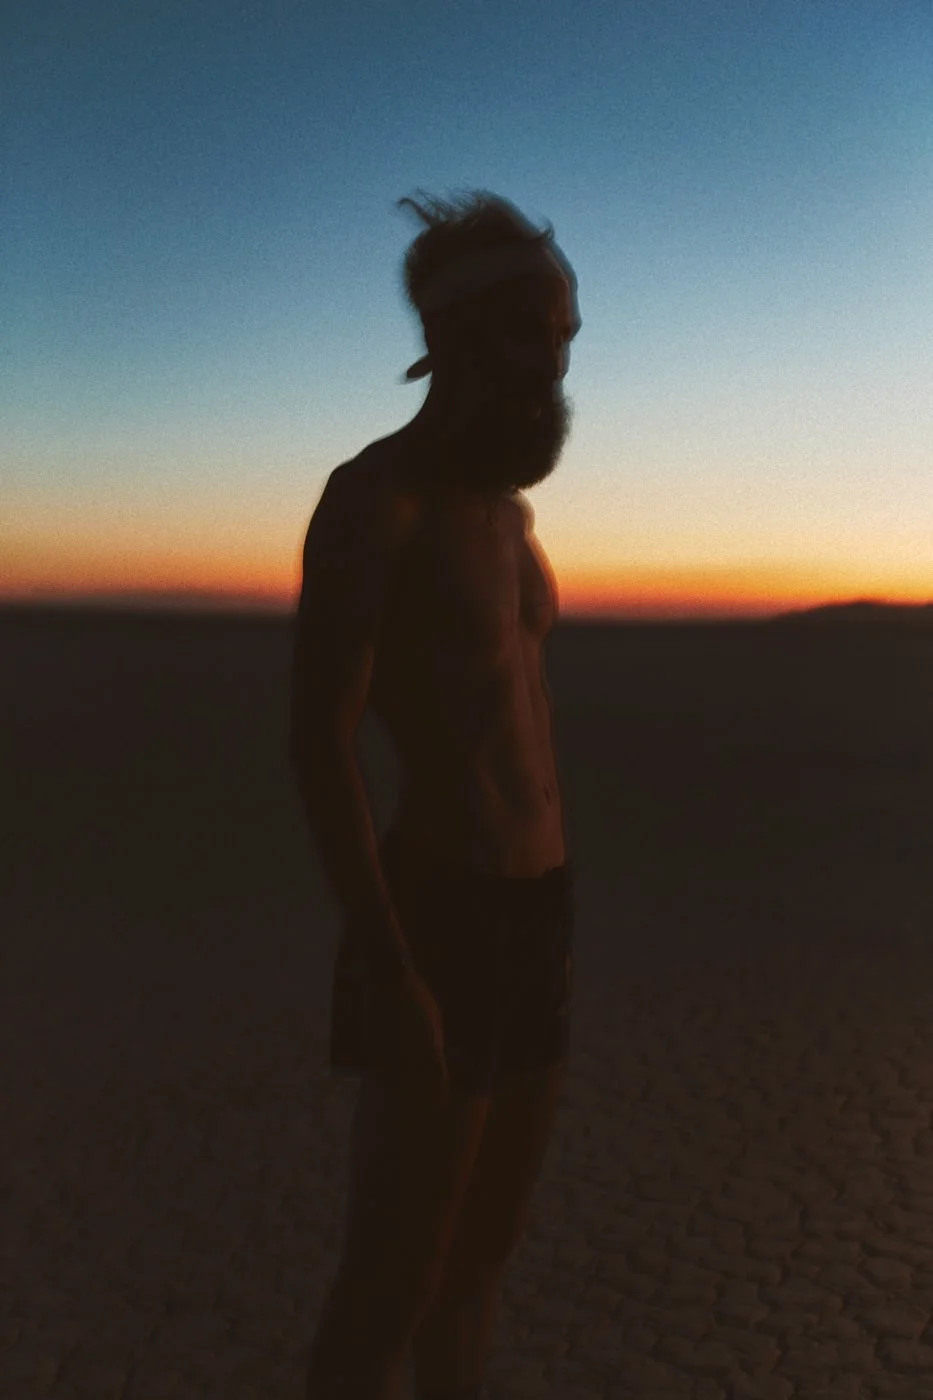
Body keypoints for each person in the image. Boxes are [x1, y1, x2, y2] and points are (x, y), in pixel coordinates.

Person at [291, 189, 581, 1400]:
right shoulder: (379, 500)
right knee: (392, 1279)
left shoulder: (511, 516)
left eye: (567, 339)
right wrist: (388, 957)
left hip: (539, 907)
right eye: (533, 335)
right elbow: (319, 740)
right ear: (458, 339)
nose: (557, 367)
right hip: (441, 911)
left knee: (479, 1263)